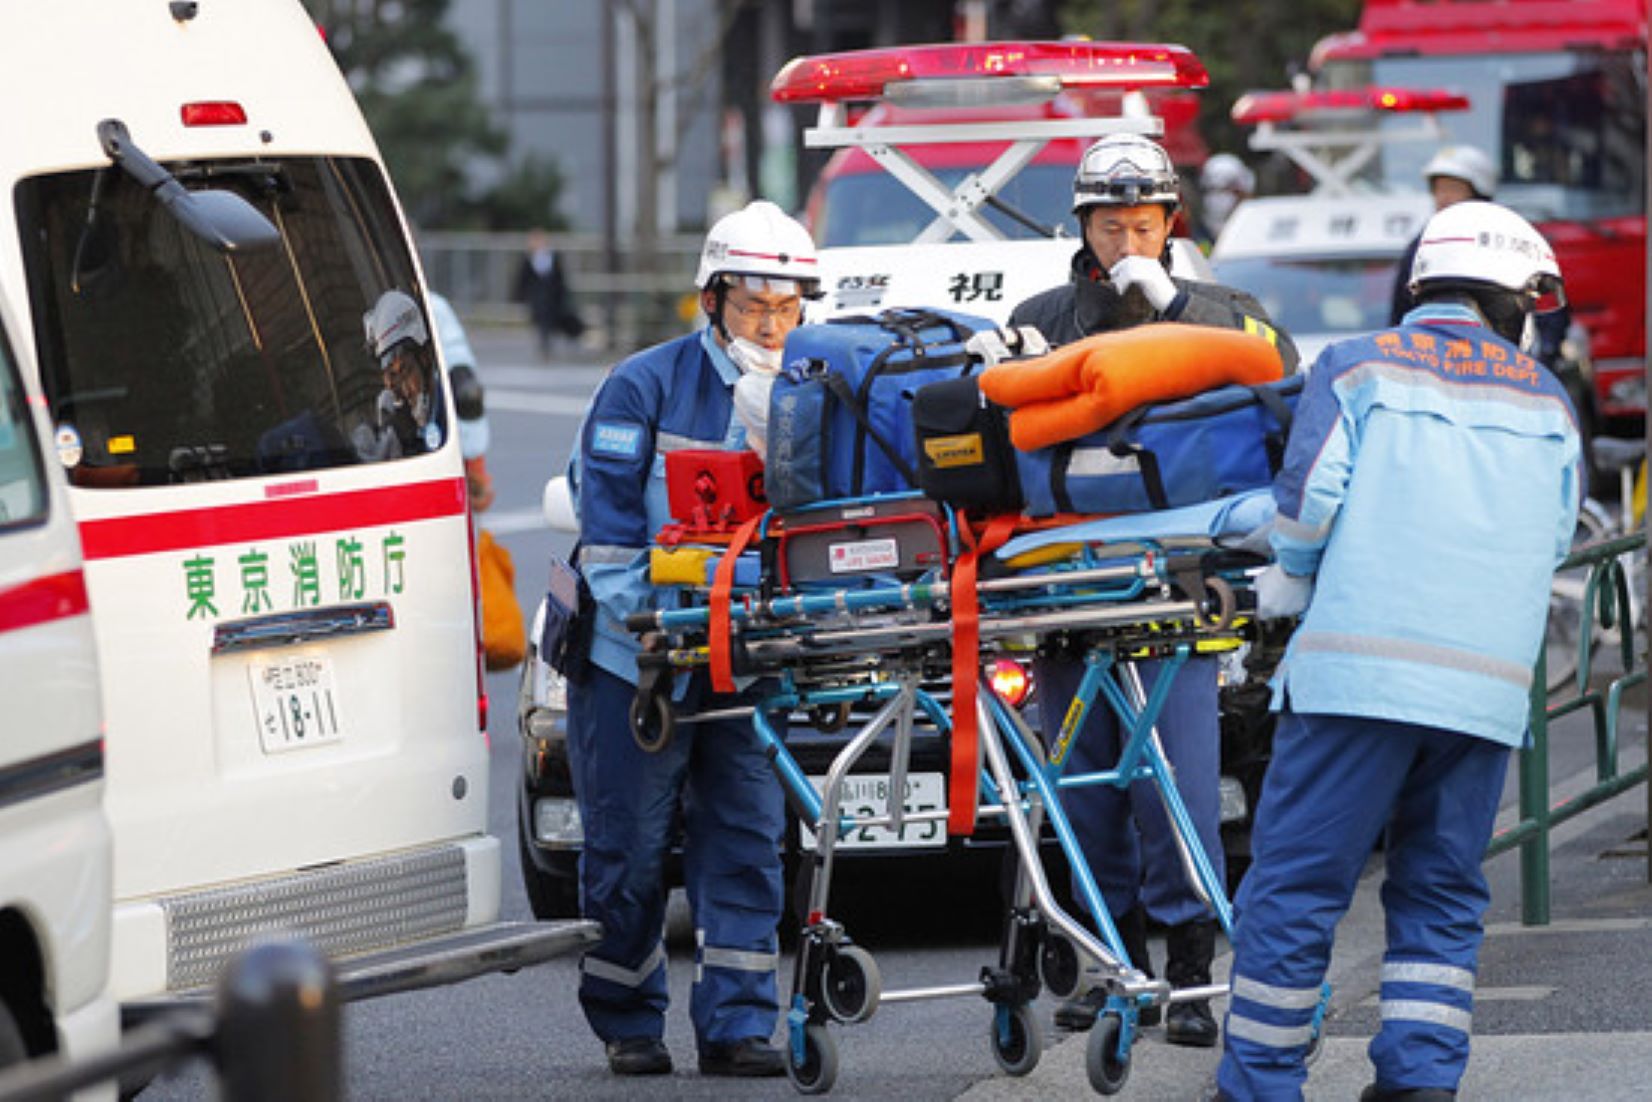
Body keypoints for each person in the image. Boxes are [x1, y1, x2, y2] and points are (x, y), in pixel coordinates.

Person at [1216, 200, 1579, 1101]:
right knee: (1441, 892)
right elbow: (1562, 536)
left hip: (1359, 676)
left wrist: (1294, 569)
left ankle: (1260, 1082)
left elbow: (1303, 514)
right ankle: (1420, 1080)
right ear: (1512, 301)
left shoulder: (1355, 366)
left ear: (1424, 285)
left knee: (1298, 887)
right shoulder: (1550, 400)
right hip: (1487, 694)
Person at [1007, 133, 1299, 1048]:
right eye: (1109, 223)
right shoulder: (1044, 317)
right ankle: (1110, 963)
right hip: (1064, 600)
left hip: (1177, 599)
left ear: (1171, 223)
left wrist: (1180, 307)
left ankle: (1188, 974)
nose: (1126, 240)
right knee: (1082, 789)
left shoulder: (1219, 310)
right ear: (1081, 224)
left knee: (1174, 785)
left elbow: (1280, 367)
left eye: (1143, 223)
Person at [564, 199, 821, 1079]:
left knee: (748, 838)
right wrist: (665, 622)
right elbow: (606, 536)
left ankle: (740, 1022)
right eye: (754, 307)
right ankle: (628, 1016)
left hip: (749, 661)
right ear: (711, 302)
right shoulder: (643, 386)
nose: (771, 326)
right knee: (629, 846)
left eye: (787, 309)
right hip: (635, 663)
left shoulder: (807, 395)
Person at [1388, 145, 1497, 325]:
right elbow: (1400, 311)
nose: (1444, 197)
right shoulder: (1422, 246)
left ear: (1478, 193)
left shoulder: (1502, 241)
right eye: (1439, 189)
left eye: (1453, 188)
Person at [356, 289, 444, 460]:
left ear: (424, 357)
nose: (400, 392)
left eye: (403, 372)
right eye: (391, 380)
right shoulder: (398, 424)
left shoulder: (448, 408)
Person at [515, 227, 584, 362]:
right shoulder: (528, 259)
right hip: (537, 298)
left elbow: (560, 277)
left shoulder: (553, 256)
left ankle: (564, 344)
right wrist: (521, 296)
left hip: (554, 297)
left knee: (557, 322)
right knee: (542, 324)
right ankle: (545, 348)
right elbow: (522, 279)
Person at [1195, 152, 1256, 247]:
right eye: (1212, 190)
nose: (1218, 198)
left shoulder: (1256, 231)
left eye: (1228, 190)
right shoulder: (1199, 238)